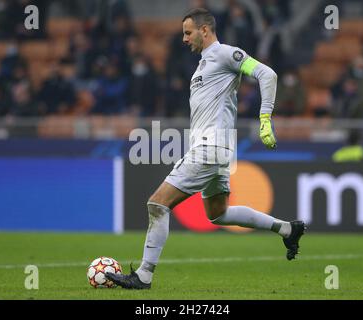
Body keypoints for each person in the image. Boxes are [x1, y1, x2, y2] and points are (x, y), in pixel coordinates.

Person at [105, 8, 306, 289]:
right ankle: (287, 228)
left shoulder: (226, 54)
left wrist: (264, 117)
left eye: (188, 33)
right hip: (213, 147)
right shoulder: (202, 65)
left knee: (157, 203)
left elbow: (267, 74)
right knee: (218, 213)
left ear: (204, 30)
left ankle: (143, 275)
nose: (185, 39)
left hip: (211, 147)